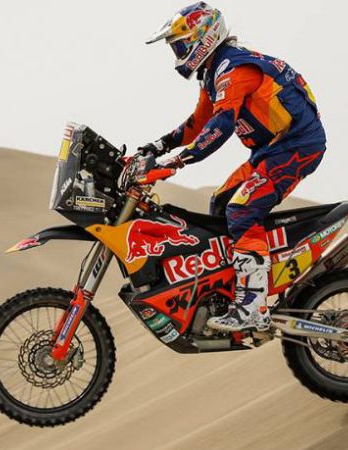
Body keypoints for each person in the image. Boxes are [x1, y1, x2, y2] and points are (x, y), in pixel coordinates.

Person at [140, 2, 326, 332]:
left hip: (296, 146)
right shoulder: (214, 72)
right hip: (271, 151)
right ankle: (232, 291)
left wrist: (178, 161)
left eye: (180, 46)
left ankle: (253, 305)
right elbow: (198, 123)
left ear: (202, 38)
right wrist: (158, 146)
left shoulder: (233, 68)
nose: (178, 54)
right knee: (222, 203)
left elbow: (221, 125)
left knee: (241, 210)